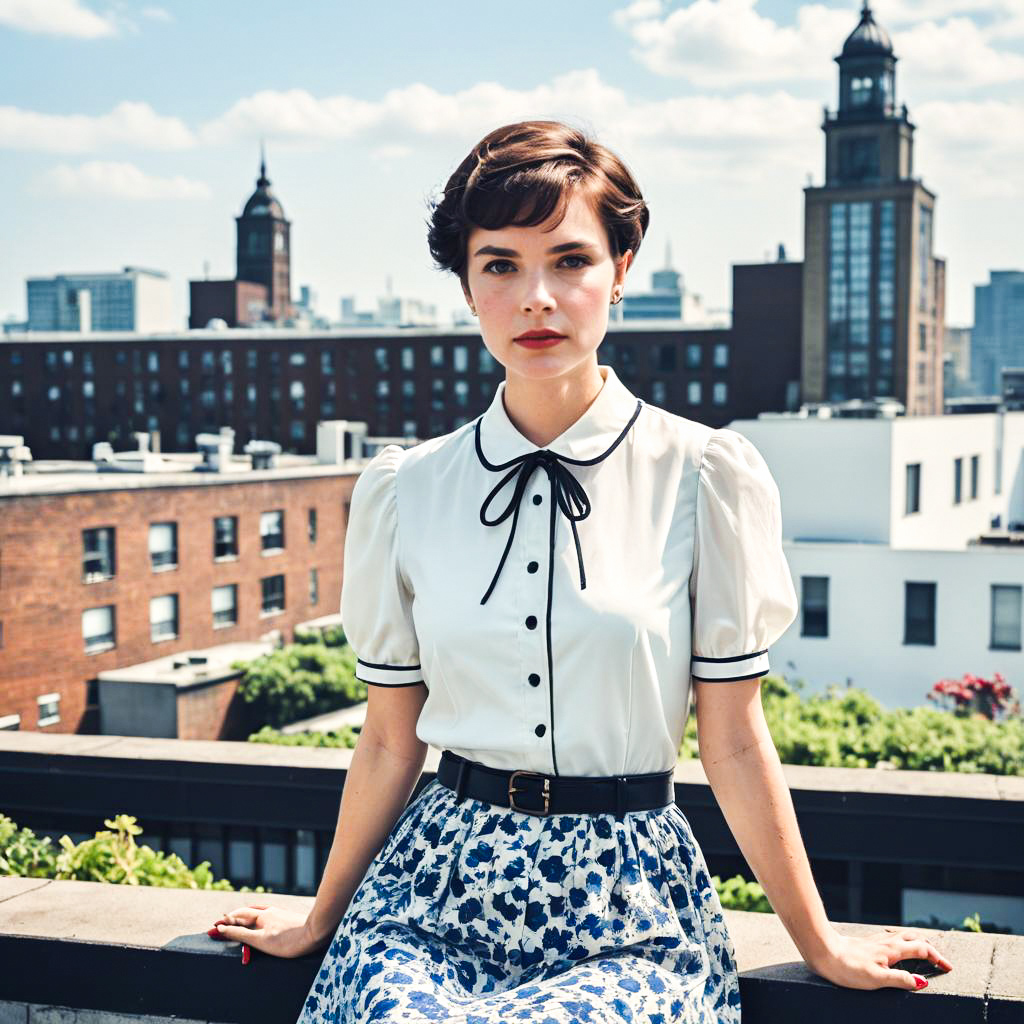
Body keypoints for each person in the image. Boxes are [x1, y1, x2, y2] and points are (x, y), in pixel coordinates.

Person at [210, 120, 954, 1022]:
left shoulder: (705, 474)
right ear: (466, 286)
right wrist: (318, 919)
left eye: (570, 261)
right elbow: (387, 740)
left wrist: (820, 941)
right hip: (433, 891)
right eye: (500, 265)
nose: (537, 298)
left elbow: (733, 742)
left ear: (621, 272)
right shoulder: (406, 490)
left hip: (627, 901)